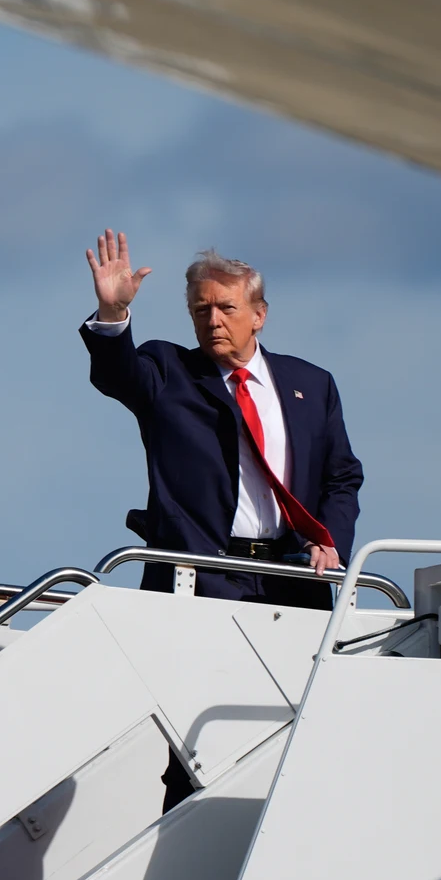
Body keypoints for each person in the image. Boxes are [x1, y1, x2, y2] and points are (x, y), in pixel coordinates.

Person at [80, 229, 364, 608]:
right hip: (198, 580)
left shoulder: (312, 384)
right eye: (201, 310)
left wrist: (329, 543)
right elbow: (117, 375)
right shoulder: (168, 371)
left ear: (259, 315)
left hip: (295, 580)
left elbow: (341, 476)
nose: (213, 320)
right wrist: (114, 312)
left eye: (227, 308)